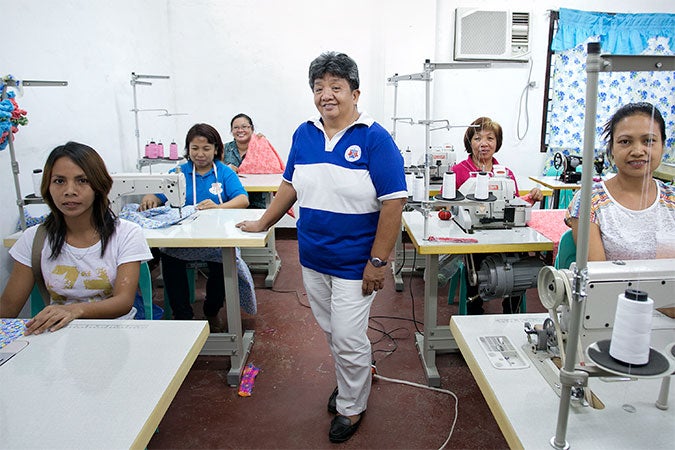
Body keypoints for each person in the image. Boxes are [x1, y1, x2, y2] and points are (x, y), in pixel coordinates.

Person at [236, 51, 407, 443]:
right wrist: (264, 222)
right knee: (335, 331)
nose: (326, 95)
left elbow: (393, 202)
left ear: (355, 92)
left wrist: (378, 262)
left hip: (355, 262)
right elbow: (290, 186)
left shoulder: (375, 138)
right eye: (318, 88)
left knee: (347, 336)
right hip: (312, 257)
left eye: (335, 87)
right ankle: (358, 374)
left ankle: (352, 404)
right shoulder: (305, 134)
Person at [0, 142, 153, 334]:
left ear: (98, 186)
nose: (69, 191)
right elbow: (7, 308)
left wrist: (73, 310)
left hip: (115, 331)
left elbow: (123, 302)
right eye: (59, 181)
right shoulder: (34, 239)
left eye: (82, 180)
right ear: (47, 186)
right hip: (57, 335)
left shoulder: (126, 234)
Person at [139, 123, 250, 330]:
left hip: (216, 240)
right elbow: (158, 194)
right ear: (188, 149)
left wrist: (219, 206)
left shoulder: (224, 173)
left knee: (225, 263)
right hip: (182, 240)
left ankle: (211, 310)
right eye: (194, 148)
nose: (200, 154)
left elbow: (242, 199)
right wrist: (150, 198)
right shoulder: (177, 173)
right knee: (170, 259)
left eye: (206, 148)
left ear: (216, 149)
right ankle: (183, 317)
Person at [454, 117, 544, 315]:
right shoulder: (459, 171)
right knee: (476, 265)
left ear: (497, 143)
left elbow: (514, 202)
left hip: (505, 234)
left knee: (519, 262)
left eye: (490, 138)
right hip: (474, 237)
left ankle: (512, 314)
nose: (484, 144)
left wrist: (532, 198)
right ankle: (474, 314)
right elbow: (450, 207)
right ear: (469, 142)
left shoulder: (505, 173)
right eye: (478, 138)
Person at [566, 102, 675, 261]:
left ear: (663, 146)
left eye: (648, 141)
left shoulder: (671, 199)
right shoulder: (589, 202)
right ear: (611, 148)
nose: (638, 151)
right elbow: (598, 279)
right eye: (625, 141)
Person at [223, 113, 280, 209]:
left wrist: (263, 144)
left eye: (244, 127)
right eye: (236, 128)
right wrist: (226, 168)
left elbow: (273, 169)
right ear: (231, 131)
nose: (240, 130)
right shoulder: (224, 149)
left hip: (258, 200)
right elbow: (213, 167)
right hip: (232, 200)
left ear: (252, 129)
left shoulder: (261, 147)